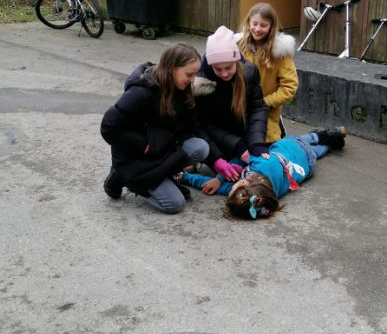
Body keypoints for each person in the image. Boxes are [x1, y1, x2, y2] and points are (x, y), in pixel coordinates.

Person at [100, 43, 209, 214]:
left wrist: (218, 160)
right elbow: (108, 127)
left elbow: (191, 126)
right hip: (137, 156)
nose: (193, 80)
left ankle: (163, 177)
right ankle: (124, 177)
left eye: (195, 74)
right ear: (171, 69)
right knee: (175, 204)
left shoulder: (182, 87)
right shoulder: (140, 92)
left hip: (162, 150)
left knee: (200, 147)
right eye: (189, 74)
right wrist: (145, 145)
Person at [178, 127, 347, 220]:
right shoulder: (260, 163)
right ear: (243, 183)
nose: (229, 188)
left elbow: (224, 187)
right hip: (294, 146)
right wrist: (219, 178)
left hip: (309, 166)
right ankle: (322, 136)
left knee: (317, 152)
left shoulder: (268, 194)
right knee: (308, 139)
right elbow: (237, 161)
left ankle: (328, 146)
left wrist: (187, 178)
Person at [194, 25, 269, 182]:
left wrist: (256, 143)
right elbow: (201, 124)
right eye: (218, 69)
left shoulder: (250, 72)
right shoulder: (199, 83)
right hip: (216, 141)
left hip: (242, 133)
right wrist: (238, 146)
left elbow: (258, 108)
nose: (224, 73)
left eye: (228, 67)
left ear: (236, 60)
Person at [236, 3, 298, 142]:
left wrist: (264, 103)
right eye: (255, 24)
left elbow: (289, 86)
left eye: (263, 25)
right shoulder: (238, 45)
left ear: (271, 27)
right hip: (240, 111)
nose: (257, 29)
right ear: (249, 22)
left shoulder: (280, 52)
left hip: (266, 114)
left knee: (265, 147)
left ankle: (318, 137)